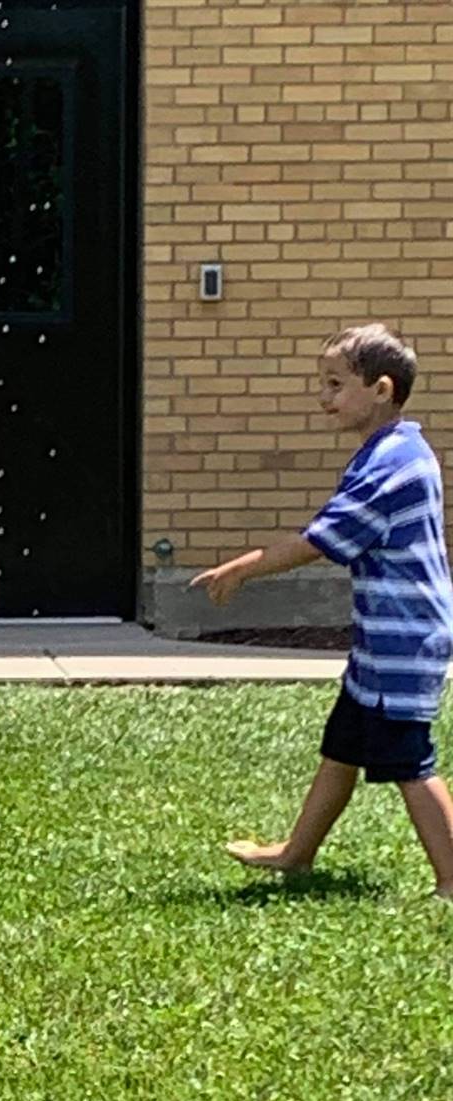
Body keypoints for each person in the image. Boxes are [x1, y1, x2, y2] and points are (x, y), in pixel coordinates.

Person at [194, 324, 453, 895]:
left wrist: (244, 567)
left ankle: (452, 881)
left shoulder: (393, 463)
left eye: (335, 384)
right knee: (343, 746)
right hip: (385, 637)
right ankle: (296, 853)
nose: (323, 397)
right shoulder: (391, 451)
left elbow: (323, 539)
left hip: (404, 640)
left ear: (381, 389)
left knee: (409, 759)